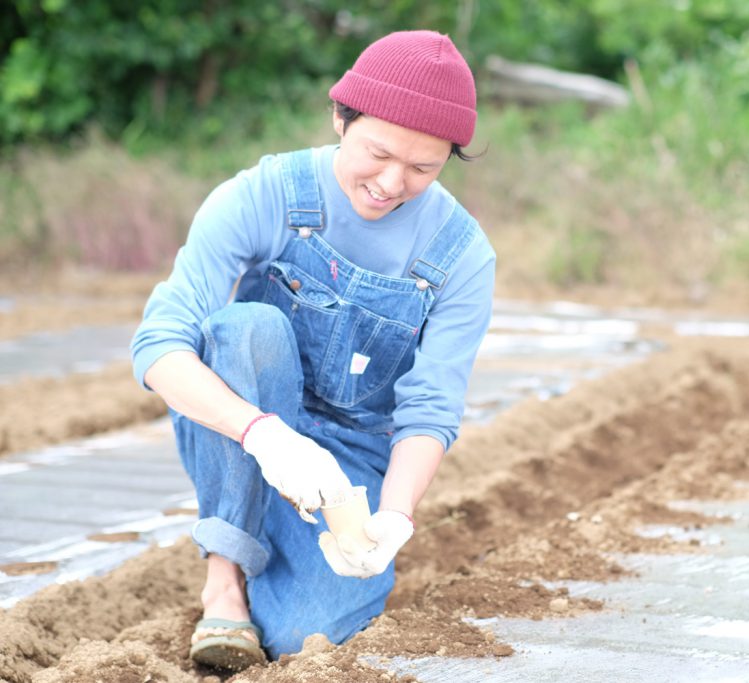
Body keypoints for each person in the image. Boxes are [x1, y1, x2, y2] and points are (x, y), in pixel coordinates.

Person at [130, 30, 495, 670]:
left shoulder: (461, 255)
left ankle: (275, 541)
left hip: (352, 454)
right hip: (241, 419)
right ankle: (225, 578)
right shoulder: (264, 194)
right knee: (248, 328)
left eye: (422, 168)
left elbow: (430, 407)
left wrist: (395, 517)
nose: (390, 183)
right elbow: (160, 346)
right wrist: (266, 435)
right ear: (340, 117)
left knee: (305, 637)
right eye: (378, 154)